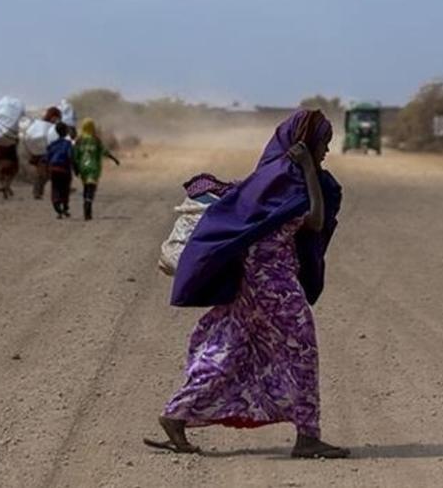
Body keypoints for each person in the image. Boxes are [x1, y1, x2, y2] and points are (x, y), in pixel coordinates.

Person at [146, 110, 348, 459]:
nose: (326, 152)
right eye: (323, 144)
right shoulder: (290, 178)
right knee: (301, 350)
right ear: (304, 144)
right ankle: (308, 437)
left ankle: (176, 414)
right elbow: (314, 221)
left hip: (250, 282)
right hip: (274, 283)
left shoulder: (269, 176)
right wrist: (311, 174)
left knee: (232, 346)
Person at [72, 118, 120, 221]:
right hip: (93, 168)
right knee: (92, 187)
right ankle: (88, 204)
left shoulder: (79, 140)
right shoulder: (96, 140)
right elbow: (104, 151)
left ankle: (86, 202)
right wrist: (114, 159)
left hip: (83, 167)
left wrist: (75, 167)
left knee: (86, 186)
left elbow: (75, 155)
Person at [0, 97, 25, 200]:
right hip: (10, 149)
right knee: (12, 170)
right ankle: (7, 186)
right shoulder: (12, 124)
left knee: (0, 170)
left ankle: (4, 186)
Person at [25, 107, 62, 200]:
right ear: (52, 116)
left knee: (46, 174)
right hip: (41, 154)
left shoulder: (47, 125)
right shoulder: (44, 125)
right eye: (56, 117)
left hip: (43, 153)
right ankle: (37, 193)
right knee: (43, 174)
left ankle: (38, 192)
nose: (57, 120)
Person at [45, 122, 74, 218]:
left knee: (55, 188)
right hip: (65, 169)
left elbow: (47, 157)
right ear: (66, 131)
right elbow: (70, 156)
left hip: (54, 169)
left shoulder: (53, 144)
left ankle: (58, 208)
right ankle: (65, 207)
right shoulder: (68, 144)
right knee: (65, 189)